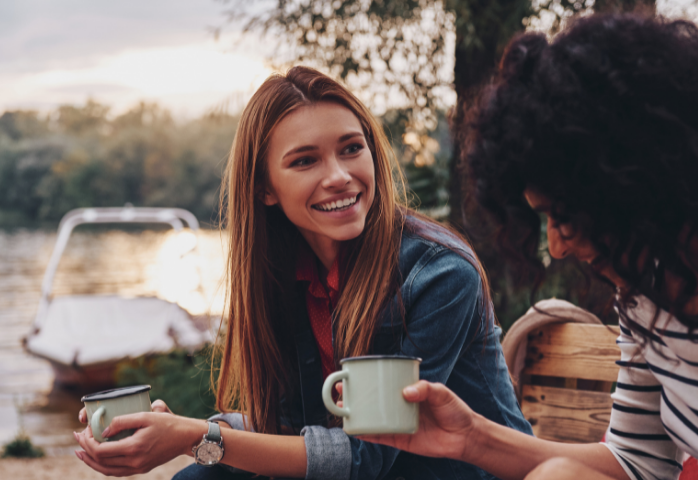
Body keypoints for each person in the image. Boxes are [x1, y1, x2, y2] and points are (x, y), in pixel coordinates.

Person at [356, 13, 698, 480]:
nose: (559, 248)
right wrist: (470, 437)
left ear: (643, 181)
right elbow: (635, 462)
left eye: (565, 217)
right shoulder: (652, 291)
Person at [73, 66, 532, 479]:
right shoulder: (286, 272)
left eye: (352, 149)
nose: (339, 176)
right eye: (305, 160)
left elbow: (364, 457)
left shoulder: (438, 273)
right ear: (265, 189)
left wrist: (194, 437)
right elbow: (290, 426)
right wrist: (174, 429)